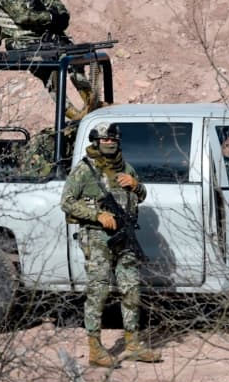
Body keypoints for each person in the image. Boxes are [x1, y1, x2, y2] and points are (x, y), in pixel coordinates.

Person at [60, 123, 161, 367]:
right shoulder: (84, 170)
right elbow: (67, 202)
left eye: (112, 139)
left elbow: (143, 194)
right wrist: (97, 216)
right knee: (99, 292)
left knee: (131, 289)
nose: (108, 142)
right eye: (104, 139)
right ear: (96, 141)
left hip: (124, 237)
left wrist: (136, 186)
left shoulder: (126, 168)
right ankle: (95, 349)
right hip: (97, 238)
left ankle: (133, 343)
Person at [0, 0, 97, 121]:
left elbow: (59, 8)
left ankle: (91, 105)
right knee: (52, 73)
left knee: (75, 58)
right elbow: (22, 17)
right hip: (22, 43)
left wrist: (58, 19)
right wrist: (50, 18)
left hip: (45, 40)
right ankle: (74, 114)